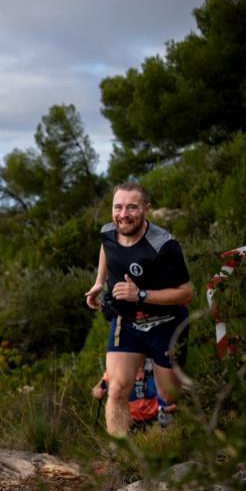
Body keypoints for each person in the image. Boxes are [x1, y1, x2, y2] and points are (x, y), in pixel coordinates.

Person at [85, 182, 192, 437]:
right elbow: (106, 248)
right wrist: (99, 282)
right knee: (117, 389)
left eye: (132, 207)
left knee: (169, 395)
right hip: (128, 322)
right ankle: (121, 453)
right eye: (118, 207)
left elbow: (186, 293)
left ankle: (172, 444)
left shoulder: (164, 245)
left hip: (166, 323)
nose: (123, 214)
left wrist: (141, 295)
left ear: (146, 209)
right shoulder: (109, 232)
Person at [92, 358, 175, 432]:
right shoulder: (119, 365)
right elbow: (98, 387)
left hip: (156, 419)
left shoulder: (156, 363)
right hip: (130, 421)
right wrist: (98, 391)